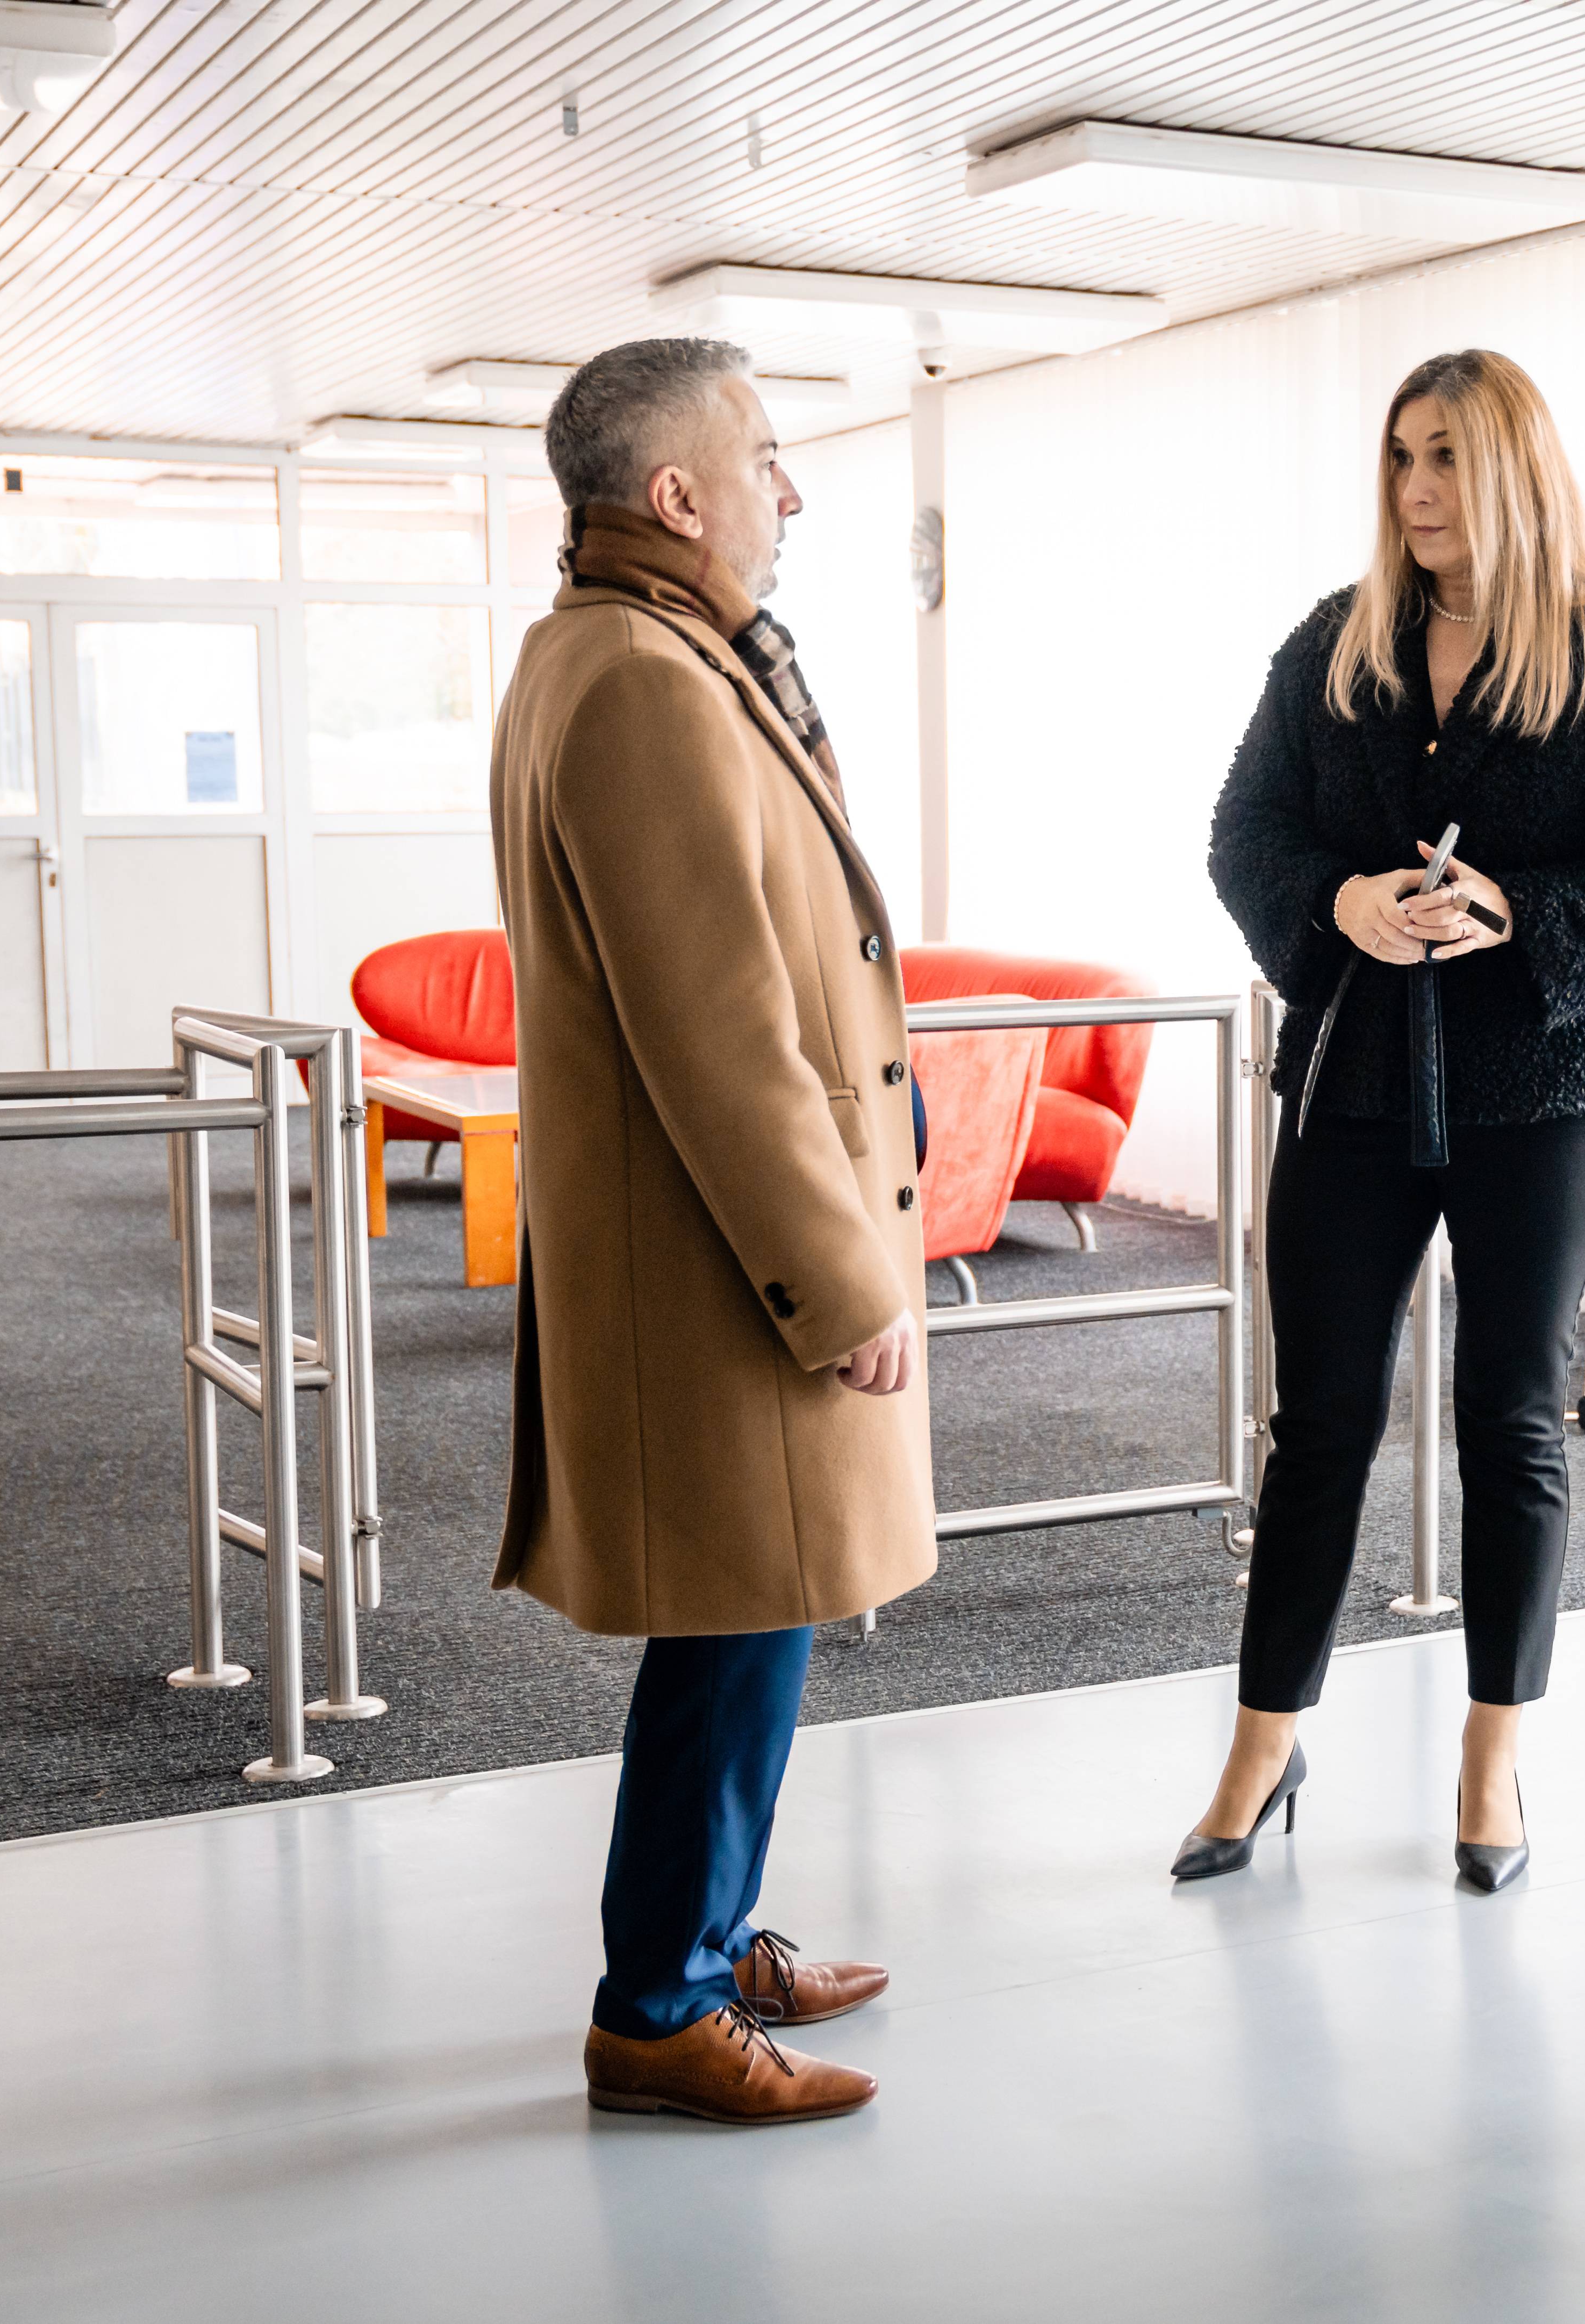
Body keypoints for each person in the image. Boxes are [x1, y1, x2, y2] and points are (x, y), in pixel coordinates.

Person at [1195, 348, 1585, 1889]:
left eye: (1445, 458)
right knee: (1319, 1425)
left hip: (1542, 1089)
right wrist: (1340, 903)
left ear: (1513, 469)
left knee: (1512, 1418)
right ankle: (1263, 1745)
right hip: (1351, 1080)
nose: (1417, 490)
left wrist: (1518, 911)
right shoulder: (1337, 643)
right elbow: (1244, 833)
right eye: (1401, 457)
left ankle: (1494, 1759)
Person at [494, 337, 937, 2127]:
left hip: (703, 1256)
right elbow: (721, 1033)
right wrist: (839, 1282)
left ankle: (711, 1932)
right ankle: (661, 2010)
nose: (791, 487)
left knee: (758, 1610)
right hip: (726, 1270)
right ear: (675, 496)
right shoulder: (643, 683)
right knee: (736, 1619)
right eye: (763, 455)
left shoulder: (628, 649)